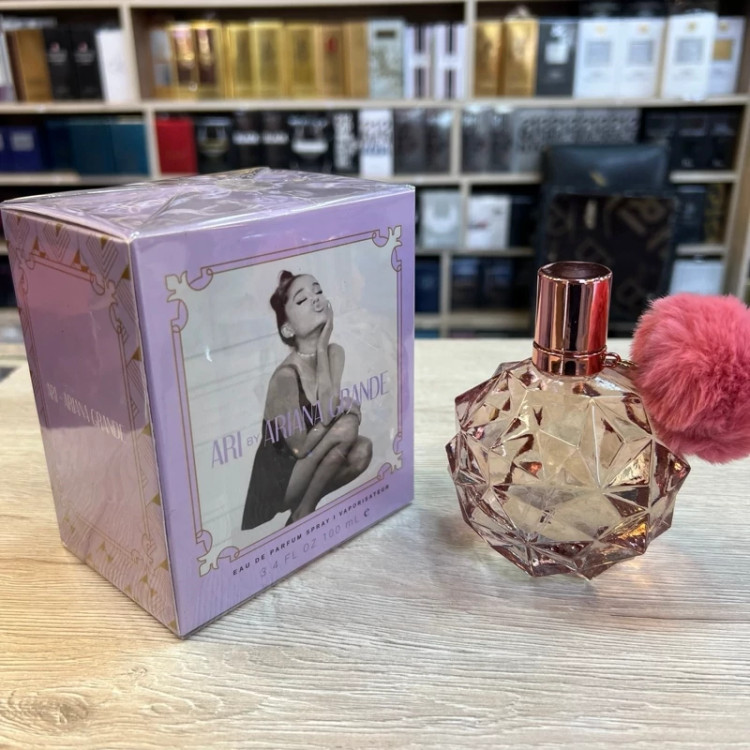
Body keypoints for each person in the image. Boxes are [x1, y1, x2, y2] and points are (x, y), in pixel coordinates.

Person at [241, 271, 372, 531]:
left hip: (310, 466)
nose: (315, 299)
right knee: (346, 427)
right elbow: (300, 448)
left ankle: (302, 508)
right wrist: (343, 412)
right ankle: (305, 511)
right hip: (278, 480)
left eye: (318, 291)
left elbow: (327, 410)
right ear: (287, 328)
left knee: (363, 450)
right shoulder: (285, 376)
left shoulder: (334, 353)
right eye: (302, 300)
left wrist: (322, 346)